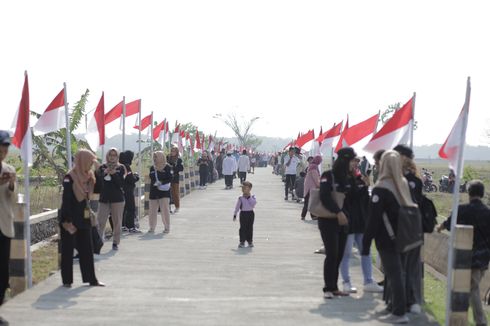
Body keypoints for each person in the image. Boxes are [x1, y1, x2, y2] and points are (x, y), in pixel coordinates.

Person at [362, 150, 415, 324]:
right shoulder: (403, 183)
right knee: (399, 273)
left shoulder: (381, 188)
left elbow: (373, 219)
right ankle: (394, 307)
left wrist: (366, 243)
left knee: (394, 275)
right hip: (405, 236)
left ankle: (399, 313)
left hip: (387, 238)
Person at [437, 180, 490, 326]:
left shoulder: (462, 209)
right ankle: (461, 317)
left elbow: (447, 224)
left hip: (464, 258)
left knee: (471, 288)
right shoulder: (488, 212)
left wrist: (439, 228)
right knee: (470, 287)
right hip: (483, 260)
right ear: (482, 194)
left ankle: (480, 322)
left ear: (469, 193)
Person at [59, 149, 104, 287]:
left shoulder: (89, 176)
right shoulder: (70, 177)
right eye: (90, 161)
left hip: (84, 217)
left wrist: (98, 170)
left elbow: (99, 189)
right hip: (70, 217)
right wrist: (67, 221)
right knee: (67, 250)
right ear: (82, 161)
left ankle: (91, 279)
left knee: (87, 249)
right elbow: (66, 200)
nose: (91, 164)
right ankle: (67, 281)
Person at [340, 156, 383, 294]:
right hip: (348, 222)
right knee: (346, 253)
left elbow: (365, 201)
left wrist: (367, 186)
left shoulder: (360, 180)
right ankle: (346, 282)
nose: (355, 165)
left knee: (366, 252)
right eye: (353, 162)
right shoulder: (341, 179)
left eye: (357, 163)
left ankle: (368, 281)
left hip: (361, 222)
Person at [317, 147, 354, 299]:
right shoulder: (328, 176)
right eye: (351, 160)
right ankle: (327, 288)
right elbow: (324, 196)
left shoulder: (349, 178)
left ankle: (334, 286)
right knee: (332, 253)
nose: (353, 164)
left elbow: (353, 199)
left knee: (339, 255)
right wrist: (338, 212)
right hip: (328, 220)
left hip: (344, 221)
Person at [393, 144, 423, 314]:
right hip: (397, 227)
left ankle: (411, 300)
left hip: (410, 228)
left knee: (410, 267)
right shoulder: (394, 178)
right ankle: (397, 300)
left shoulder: (413, 181)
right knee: (397, 268)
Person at [96, 148, 126, 251]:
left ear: (117, 157)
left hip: (117, 199)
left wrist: (113, 174)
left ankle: (115, 242)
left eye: (114, 155)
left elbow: (121, 184)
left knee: (117, 221)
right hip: (104, 199)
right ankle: (98, 242)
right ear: (107, 156)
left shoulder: (121, 168)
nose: (112, 157)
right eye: (110, 155)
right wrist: (104, 173)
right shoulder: (102, 167)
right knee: (100, 221)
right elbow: (98, 183)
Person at [0, 131, 16, 309]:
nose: (3, 150)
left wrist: (10, 185)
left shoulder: (10, 170)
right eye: (1, 146)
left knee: (3, 273)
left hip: (4, 226)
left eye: (5, 147)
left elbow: (12, 200)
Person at [149, 151, 172, 233]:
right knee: (152, 211)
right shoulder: (152, 167)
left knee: (165, 210)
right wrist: (157, 171)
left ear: (161, 157)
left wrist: (161, 181)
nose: (155, 159)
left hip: (164, 192)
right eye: (154, 157)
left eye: (156, 157)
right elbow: (152, 177)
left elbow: (170, 178)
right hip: (154, 192)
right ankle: (152, 227)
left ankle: (167, 227)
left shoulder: (167, 167)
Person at [119, 150, 141, 233]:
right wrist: (136, 176)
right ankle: (131, 227)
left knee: (123, 209)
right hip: (128, 190)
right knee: (131, 208)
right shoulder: (126, 166)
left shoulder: (120, 166)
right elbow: (131, 179)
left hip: (122, 190)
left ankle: (123, 225)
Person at [233, 181, 257, 248]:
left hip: (250, 213)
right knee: (242, 228)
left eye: (245, 188)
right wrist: (235, 214)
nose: (243, 190)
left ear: (249, 189)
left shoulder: (253, 197)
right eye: (242, 188)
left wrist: (249, 197)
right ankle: (242, 241)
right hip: (243, 214)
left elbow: (253, 204)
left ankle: (250, 241)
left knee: (250, 227)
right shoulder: (240, 198)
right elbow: (237, 206)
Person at [302, 155, 322, 220]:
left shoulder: (311, 166)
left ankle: (305, 215)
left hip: (308, 187)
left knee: (308, 202)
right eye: (320, 160)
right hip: (311, 188)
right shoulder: (314, 167)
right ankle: (310, 216)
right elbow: (316, 178)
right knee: (310, 202)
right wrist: (319, 185)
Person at [167, 146, 184, 213]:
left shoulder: (179, 159)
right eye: (172, 151)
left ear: (176, 152)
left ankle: (177, 207)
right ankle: (168, 207)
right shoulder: (168, 158)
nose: (172, 152)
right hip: (168, 177)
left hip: (175, 177)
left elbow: (181, 168)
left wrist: (174, 168)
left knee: (175, 193)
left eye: (174, 151)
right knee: (168, 193)